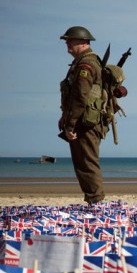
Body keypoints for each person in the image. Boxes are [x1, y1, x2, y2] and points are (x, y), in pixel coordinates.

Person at [58, 26, 106, 205]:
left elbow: (80, 96)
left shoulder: (87, 64)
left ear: (83, 42)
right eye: (67, 40)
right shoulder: (81, 63)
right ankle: (94, 200)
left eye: (71, 40)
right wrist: (65, 116)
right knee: (84, 163)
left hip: (85, 123)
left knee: (87, 163)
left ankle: (96, 202)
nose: (67, 43)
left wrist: (70, 125)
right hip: (82, 120)